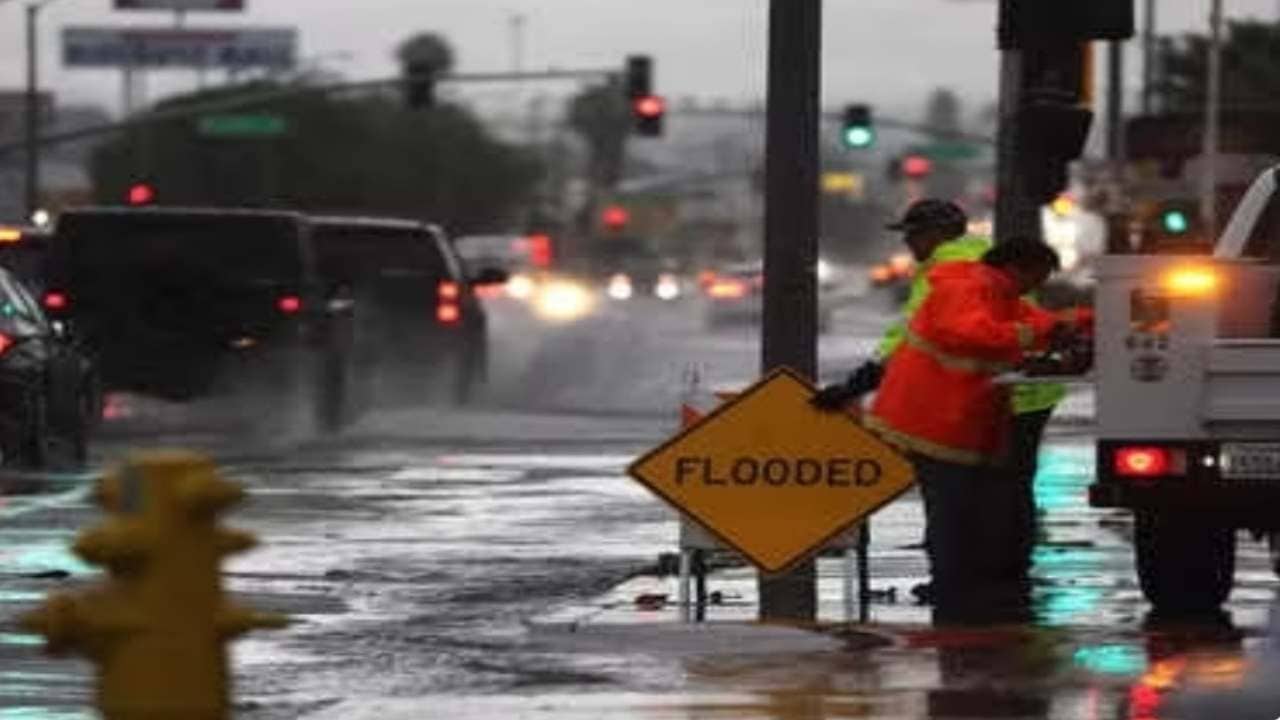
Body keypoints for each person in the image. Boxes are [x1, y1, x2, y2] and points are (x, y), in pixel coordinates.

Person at [813, 200, 1067, 598]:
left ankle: (970, 580)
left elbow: (912, 335)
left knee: (964, 491)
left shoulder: (947, 272)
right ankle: (1003, 575)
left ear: (932, 235)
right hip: (1022, 389)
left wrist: (855, 385)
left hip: (993, 393)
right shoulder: (984, 256)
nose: (910, 245)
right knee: (1009, 489)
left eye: (911, 235)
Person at [860, 240, 1084, 622]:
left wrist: (1072, 324)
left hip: (955, 416)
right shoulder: (967, 289)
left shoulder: (997, 292)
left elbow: (1030, 321)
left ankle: (965, 582)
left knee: (966, 503)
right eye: (1035, 278)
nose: (1033, 288)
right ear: (1016, 267)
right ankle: (952, 586)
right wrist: (1040, 335)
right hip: (931, 417)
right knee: (951, 506)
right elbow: (973, 333)